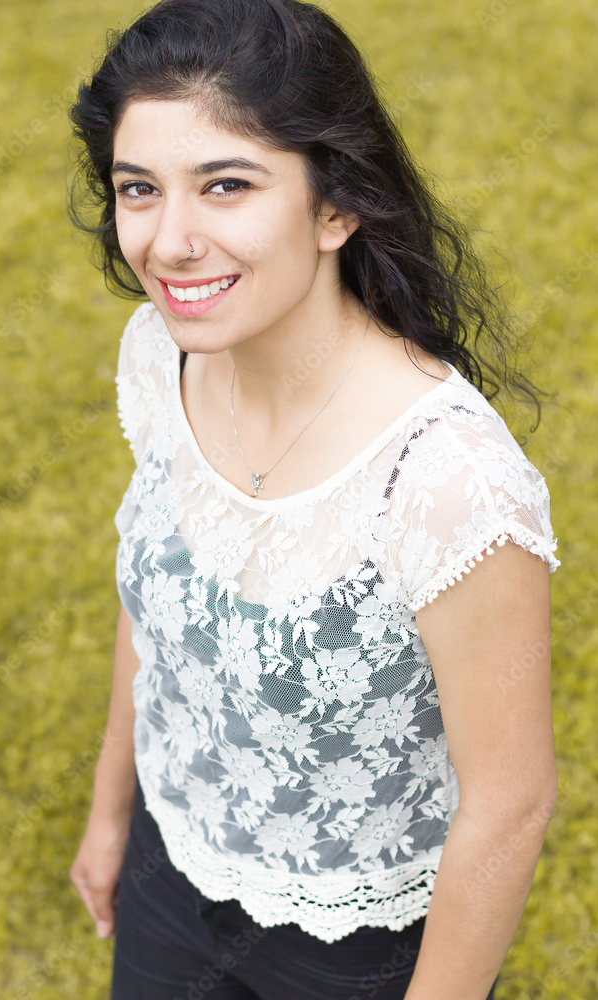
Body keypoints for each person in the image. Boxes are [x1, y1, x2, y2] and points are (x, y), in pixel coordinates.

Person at [67, 1, 561, 998]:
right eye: (139, 189)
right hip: (172, 871)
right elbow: (159, 603)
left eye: (227, 185)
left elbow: (508, 802)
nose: (167, 243)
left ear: (337, 207)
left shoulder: (449, 482)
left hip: (358, 949)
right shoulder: (161, 358)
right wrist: (112, 810)